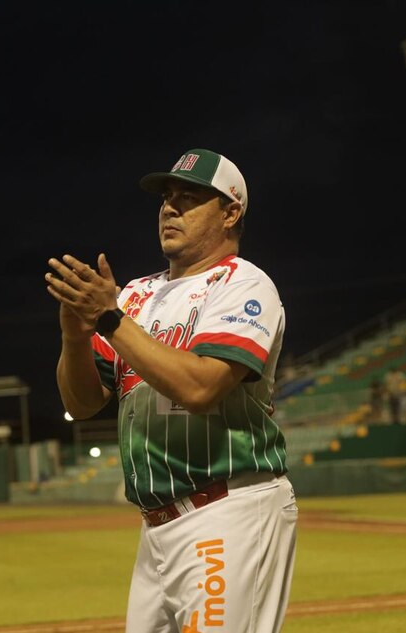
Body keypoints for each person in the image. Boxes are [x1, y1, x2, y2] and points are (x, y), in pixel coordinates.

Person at [45, 148, 297, 632]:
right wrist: (75, 339)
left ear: (231, 212)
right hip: (156, 526)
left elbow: (202, 389)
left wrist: (110, 319)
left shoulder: (244, 285)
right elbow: (81, 403)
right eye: (166, 198)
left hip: (228, 510)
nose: (169, 208)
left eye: (189, 198)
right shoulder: (135, 294)